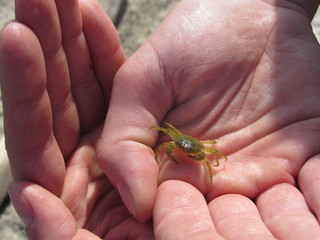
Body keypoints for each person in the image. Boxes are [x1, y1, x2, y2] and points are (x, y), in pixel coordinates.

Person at [1, 0, 320, 239]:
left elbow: (210, 153)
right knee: (166, 140)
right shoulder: (173, 144)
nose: (183, 151)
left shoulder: (203, 151)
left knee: (193, 153)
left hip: (198, 145)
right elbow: (164, 137)